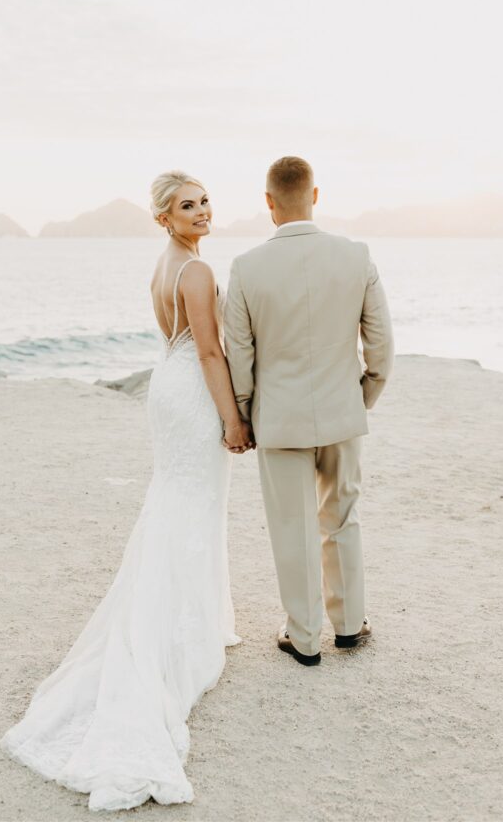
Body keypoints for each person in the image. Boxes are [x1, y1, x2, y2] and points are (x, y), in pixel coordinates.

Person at [0, 171, 252, 811]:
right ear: (164, 217)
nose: (202, 211)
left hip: (166, 389)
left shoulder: (164, 265)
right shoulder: (196, 270)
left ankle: (199, 619)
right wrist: (233, 419)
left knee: (177, 503)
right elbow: (211, 354)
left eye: (204, 201)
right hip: (193, 395)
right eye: (187, 206)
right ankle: (182, 635)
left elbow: (181, 343)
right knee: (193, 506)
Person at [223, 156, 394, 666]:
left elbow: (239, 354)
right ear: (315, 196)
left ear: (268, 202)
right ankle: (349, 625)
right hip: (342, 410)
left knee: (292, 527)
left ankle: (302, 638)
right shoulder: (355, 255)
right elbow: (381, 345)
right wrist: (363, 395)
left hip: (279, 418)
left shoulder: (247, 267)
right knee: (342, 517)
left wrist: (246, 411)